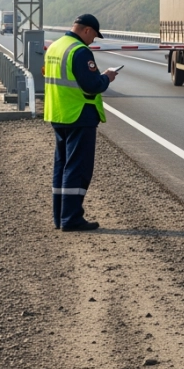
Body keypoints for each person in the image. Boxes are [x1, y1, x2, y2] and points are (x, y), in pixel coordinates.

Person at [43, 14, 117, 231]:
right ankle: (72, 218)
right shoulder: (79, 51)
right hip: (79, 114)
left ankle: (60, 217)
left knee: (62, 167)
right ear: (86, 30)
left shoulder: (56, 46)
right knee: (77, 168)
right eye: (94, 35)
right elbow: (91, 85)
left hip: (58, 113)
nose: (94, 40)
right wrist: (107, 78)